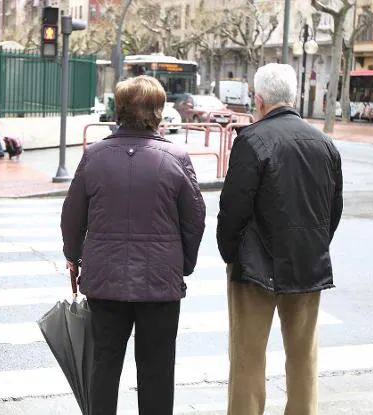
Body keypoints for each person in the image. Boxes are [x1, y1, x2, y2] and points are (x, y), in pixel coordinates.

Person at [60, 75, 206, 415]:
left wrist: (74, 256)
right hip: (160, 284)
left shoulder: (93, 156)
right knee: (157, 369)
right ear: (158, 112)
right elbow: (194, 219)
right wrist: (184, 264)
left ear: (119, 110)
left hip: (104, 282)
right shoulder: (176, 157)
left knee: (104, 366)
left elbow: (72, 215)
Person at [216, 63, 343, 415]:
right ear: (295, 96)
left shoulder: (252, 140)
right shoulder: (325, 144)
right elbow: (333, 211)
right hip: (306, 264)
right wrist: (314, 245)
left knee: (247, 359)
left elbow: (232, 209)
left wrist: (231, 254)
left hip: (255, 267)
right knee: (303, 359)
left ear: (258, 100)